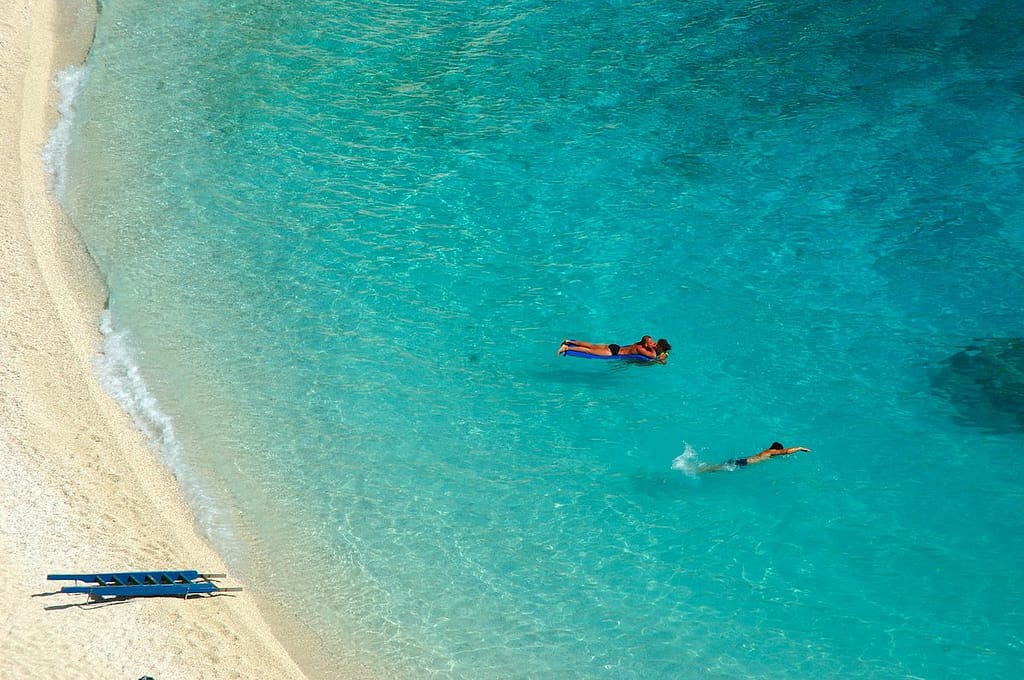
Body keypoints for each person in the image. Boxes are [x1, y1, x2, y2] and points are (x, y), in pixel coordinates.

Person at [698, 441, 811, 473]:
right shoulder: (772, 452)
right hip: (743, 463)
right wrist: (800, 448)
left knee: (716, 468)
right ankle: (697, 470)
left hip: (743, 460)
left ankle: (701, 468)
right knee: (714, 469)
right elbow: (786, 452)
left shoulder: (767, 451)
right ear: (777, 449)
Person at [558, 336, 671, 363]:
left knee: (591, 345)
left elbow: (646, 339)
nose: (653, 344)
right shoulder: (643, 350)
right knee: (589, 351)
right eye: (652, 343)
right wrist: (657, 352)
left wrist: (651, 344)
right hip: (613, 352)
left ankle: (569, 341)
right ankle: (566, 347)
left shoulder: (642, 342)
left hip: (615, 346)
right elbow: (652, 356)